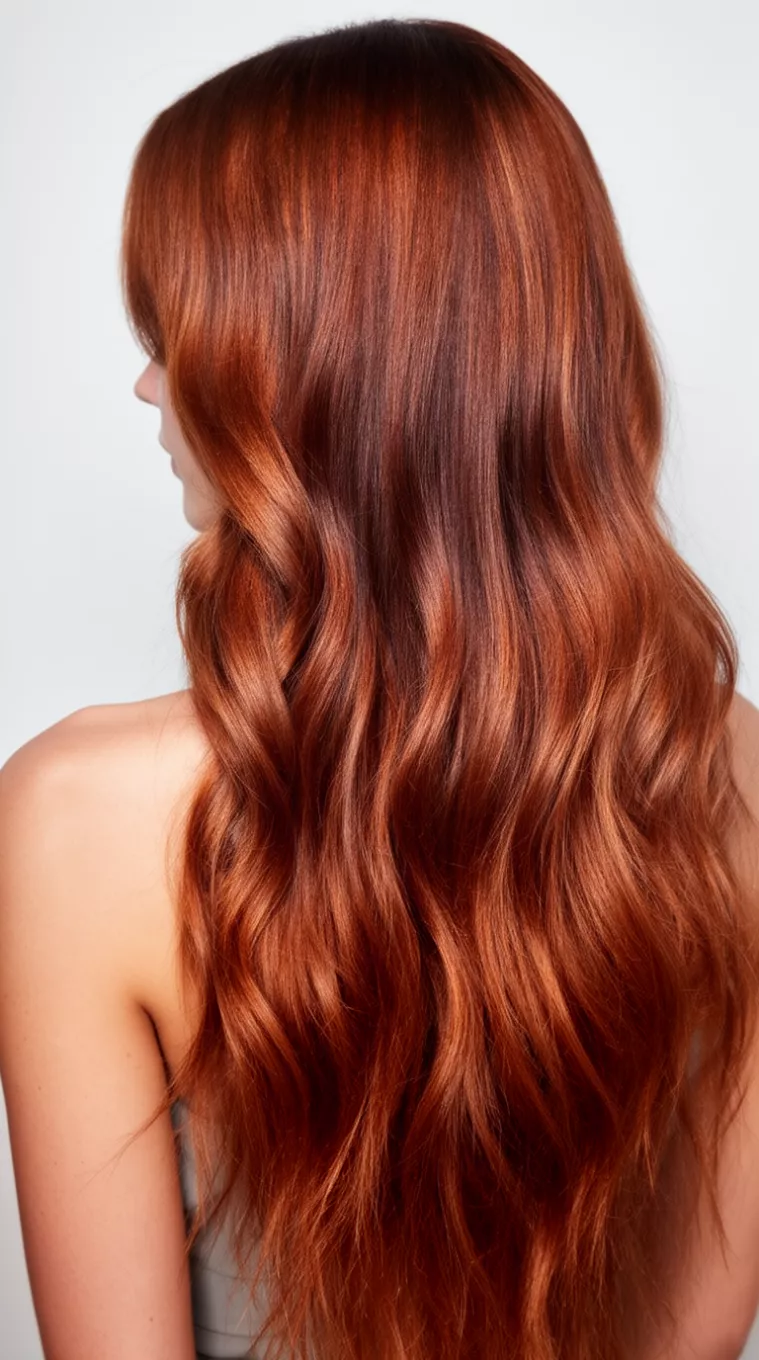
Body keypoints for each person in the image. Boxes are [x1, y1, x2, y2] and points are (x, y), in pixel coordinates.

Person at [1, 16, 759, 1360]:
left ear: (310, 369)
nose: (148, 381)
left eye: (182, 329)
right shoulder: (739, 784)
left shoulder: (73, 826)